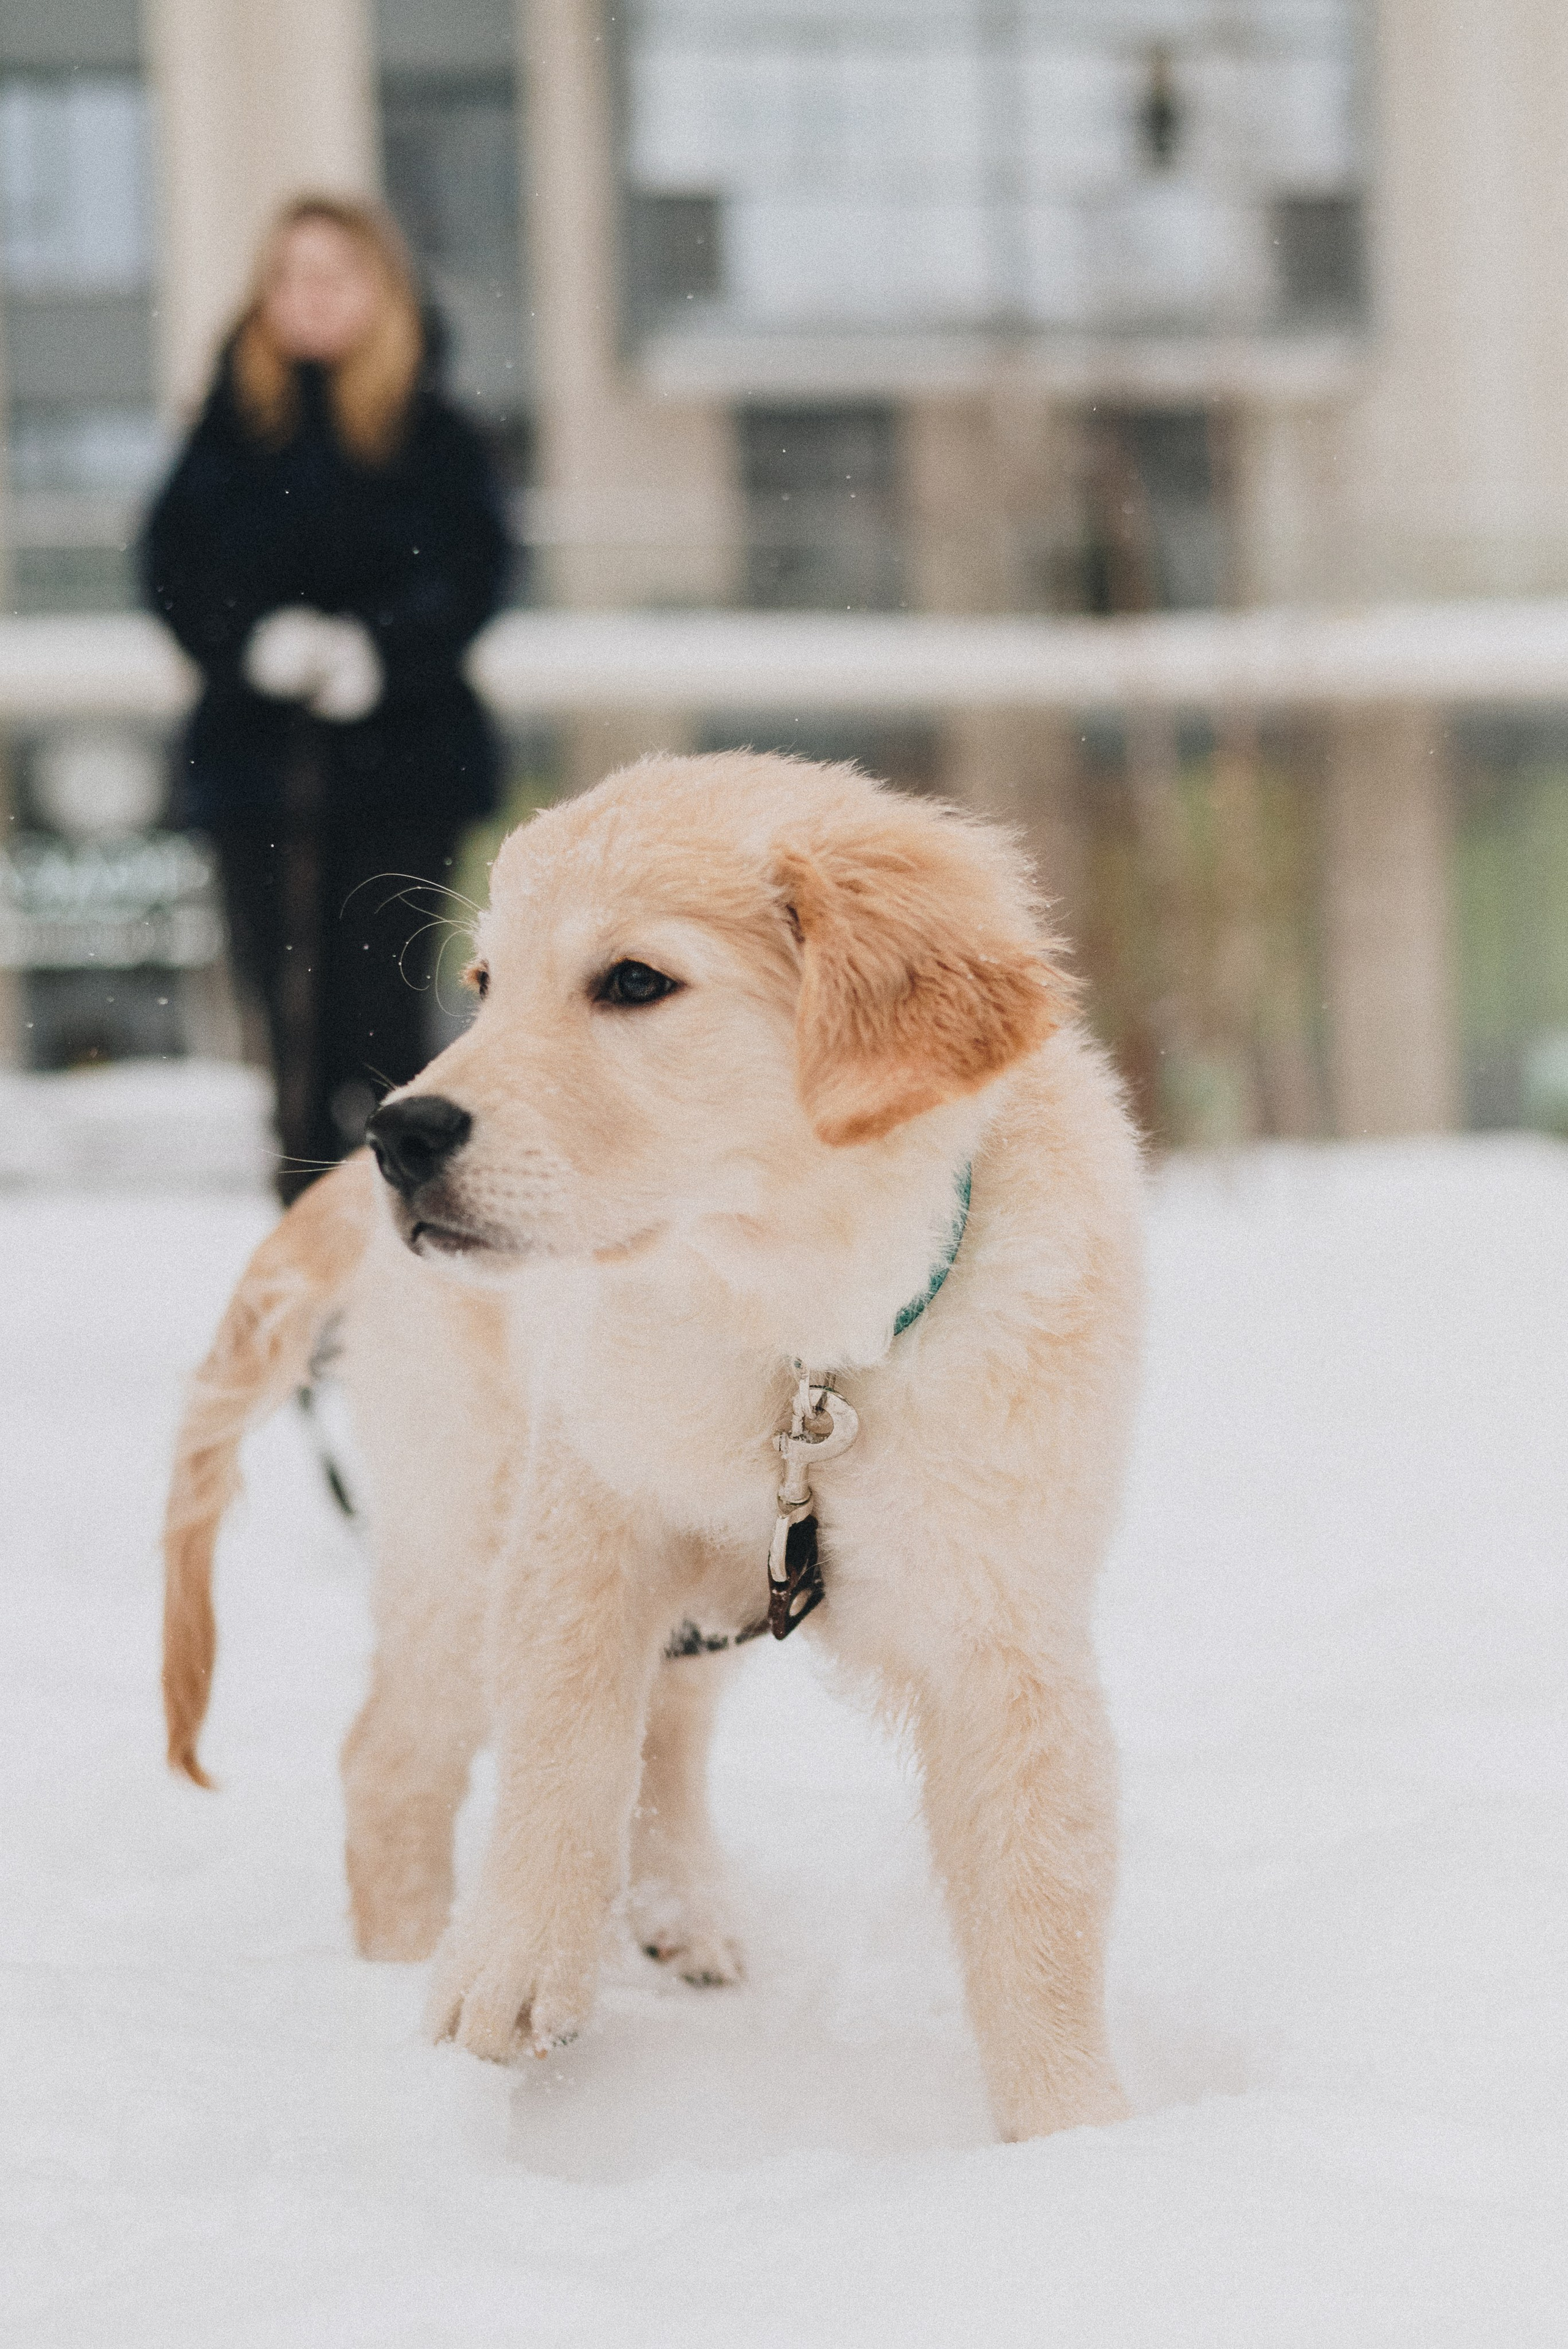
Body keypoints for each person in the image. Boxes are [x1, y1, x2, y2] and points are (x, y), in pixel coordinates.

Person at [142, 195, 510, 1204]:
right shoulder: (226, 434)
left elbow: (473, 574)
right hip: (255, 774)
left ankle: (406, 1219)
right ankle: (306, 1225)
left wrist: (381, 653)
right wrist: (249, 645)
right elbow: (173, 573)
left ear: (380, 290)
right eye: (289, 276)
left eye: (332, 275)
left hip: (405, 771)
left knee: (387, 1019)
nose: (307, 297)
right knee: (288, 1021)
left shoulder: (435, 435)